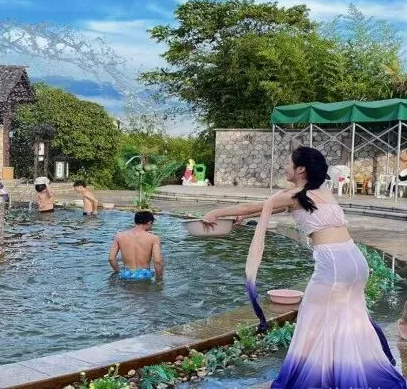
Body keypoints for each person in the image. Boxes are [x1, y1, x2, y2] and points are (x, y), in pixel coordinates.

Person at [202, 146, 406, 388]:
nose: (285, 167)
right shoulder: (319, 191)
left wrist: (216, 212)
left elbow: (252, 206)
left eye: (289, 163)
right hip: (355, 260)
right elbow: (272, 208)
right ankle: (350, 374)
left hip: (333, 264)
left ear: (300, 169)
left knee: (312, 320)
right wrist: (246, 217)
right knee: (349, 319)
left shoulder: (294, 195)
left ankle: (316, 379)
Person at [108, 211, 163, 281]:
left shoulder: (119, 236)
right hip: (145, 275)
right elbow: (158, 261)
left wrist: (118, 271)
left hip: (126, 274)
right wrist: (159, 279)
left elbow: (111, 258)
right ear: (149, 223)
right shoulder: (153, 238)